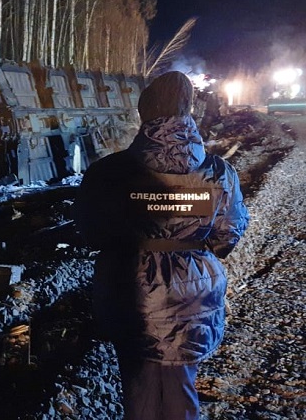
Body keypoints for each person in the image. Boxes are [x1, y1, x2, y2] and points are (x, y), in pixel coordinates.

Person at [75, 71, 249, 420]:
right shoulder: (219, 173)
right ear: (191, 111)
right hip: (192, 296)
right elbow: (227, 236)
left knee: (138, 389)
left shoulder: (108, 172)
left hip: (128, 291)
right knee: (180, 388)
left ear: (144, 112)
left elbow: (90, 233)